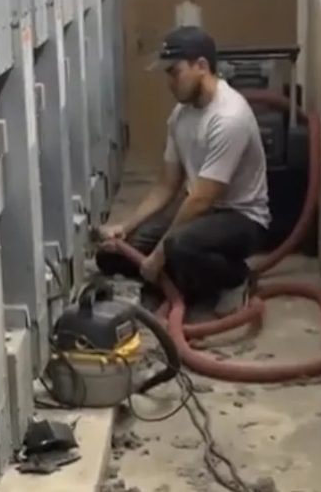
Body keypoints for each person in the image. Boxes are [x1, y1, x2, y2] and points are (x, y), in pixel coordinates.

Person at [95, 25, 271, 313]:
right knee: (112, 256)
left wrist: (159, 254)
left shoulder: (229, 118)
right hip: (200, 211)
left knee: (177, 247)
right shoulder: (181, 115)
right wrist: (124, 228)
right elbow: (167, 185)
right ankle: (183, 281)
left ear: (201, 66)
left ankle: (235, 279)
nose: (170, 82)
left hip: (240, 218)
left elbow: (201, 200)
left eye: (174, 72)